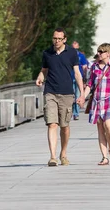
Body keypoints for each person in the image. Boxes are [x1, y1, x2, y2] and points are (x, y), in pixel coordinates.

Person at [36, 28, 85, 166]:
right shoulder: (47, 53)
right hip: (50, 91)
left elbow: (77, 73)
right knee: (52, 124)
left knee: (64, 126)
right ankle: (52, 157)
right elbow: (44, 70)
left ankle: (63, 153)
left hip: (67, 93)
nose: (56, 41)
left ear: (64, 39)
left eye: (59, 39)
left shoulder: (72, 53)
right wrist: (40, 78)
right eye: (54, 38)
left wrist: (82, 94)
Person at [83, 43, 110, 165]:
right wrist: (82, 97)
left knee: (109, 126)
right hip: (97, 101)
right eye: (98, 52)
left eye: (101, 52)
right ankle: (104, 157)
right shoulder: (94, 67)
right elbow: (90, 84)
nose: (99, 54)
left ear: (108, 53)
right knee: (100, 129)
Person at [71, 40, 89, 121]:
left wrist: (85, 78)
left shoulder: (81, 56)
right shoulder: (68, 55)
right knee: (71, 96)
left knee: (77, 96)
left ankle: (76, 113)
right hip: (70, 77)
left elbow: (85, 67)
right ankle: (70, 112)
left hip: (79, 78)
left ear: (78, 47)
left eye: (76, 45)